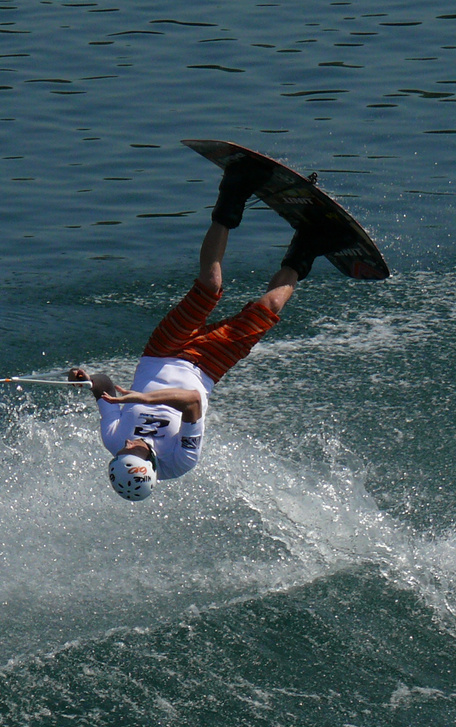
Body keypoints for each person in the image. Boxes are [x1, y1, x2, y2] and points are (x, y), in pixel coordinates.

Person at [69, 160, 344, 500]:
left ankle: (233, 190)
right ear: (150, 463)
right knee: (267, 310)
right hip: (206, 370)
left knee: (209, 286)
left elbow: (106, 385)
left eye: (121, 452)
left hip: (162, 352)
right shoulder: (180, 460)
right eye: (132, 451)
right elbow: (191, 402)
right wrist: (139, 397)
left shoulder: (113, 438)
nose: (125, 444)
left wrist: (87, 379)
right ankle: (307, 245)